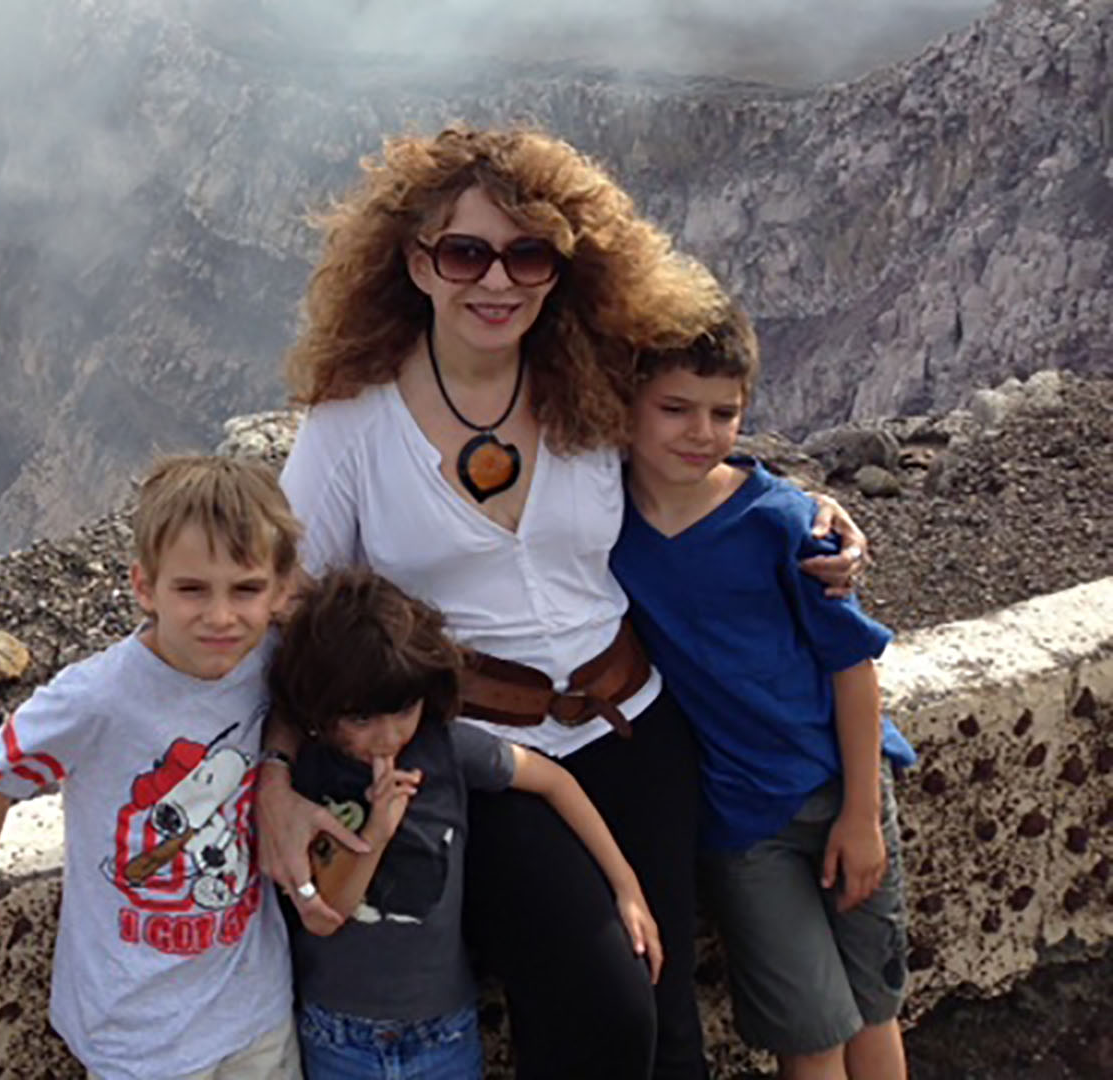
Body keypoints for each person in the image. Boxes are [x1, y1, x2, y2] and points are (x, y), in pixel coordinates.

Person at [257, 125, 867, 1080]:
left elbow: (694, 461)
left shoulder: (590, 382)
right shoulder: (352, 427)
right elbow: (284, 614)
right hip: (489, 765)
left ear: (562, 266)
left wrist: (808, 516)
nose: (496, 281)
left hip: (642, 734)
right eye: (466, 252)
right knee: (602, 1000)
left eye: (527, 252)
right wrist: (276, 779)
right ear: (416, 262)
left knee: (668, 1028)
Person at [0, 454, 303, 1080]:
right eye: (192, 589)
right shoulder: (96, 698)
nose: (221, 616)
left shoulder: (271, 660)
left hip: (254, 1011)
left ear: (278, 592)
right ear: (145, 588)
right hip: (136, 1030)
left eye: (245, 589)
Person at [611, 311, 914, 1080]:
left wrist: (861, 815)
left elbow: (853, 665)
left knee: (875, 1006)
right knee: (808, 1033)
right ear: (628, 404)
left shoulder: (784, 523)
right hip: (744, 821)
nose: (700, 432)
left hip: (841, 784)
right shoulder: (601, 525)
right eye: (675, 409)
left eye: (724, 412)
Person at [268, 567, 661, 1080]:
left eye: (402, 711)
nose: (386, 737)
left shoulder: (445, 747)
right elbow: (326, 914)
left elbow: (554, 782)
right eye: (360, 719)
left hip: (443, 1030)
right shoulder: (314, 772)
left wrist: (625, 884)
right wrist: (377, 833)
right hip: (340, 1035)